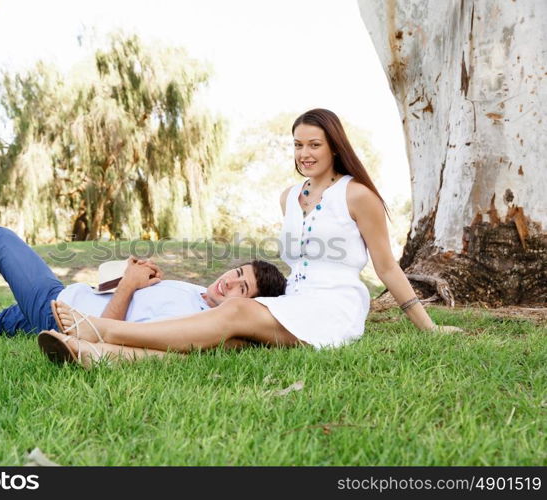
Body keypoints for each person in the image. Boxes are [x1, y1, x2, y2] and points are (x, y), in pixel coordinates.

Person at [40, 108, 461, 367]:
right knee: (231, 340)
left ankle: (106, 332)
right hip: (293, 301)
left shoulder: (357, 195)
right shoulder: (289, 198)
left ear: (334, 146)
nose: (305, 153)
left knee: (236, 313)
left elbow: (386, 266)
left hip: (333, 306)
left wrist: (428, 328)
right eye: (298, 144)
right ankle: (100, 356)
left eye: (314, 144)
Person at [0, 226, 287, 355]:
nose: (229, 280)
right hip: (72, 296)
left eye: (242, 287)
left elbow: (102, 332)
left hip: (62, 311)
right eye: (236, 271)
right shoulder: (197, 293)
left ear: (250, 307)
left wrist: (131, 287)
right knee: (3, 322)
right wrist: (131, 278)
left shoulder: (198, 320)